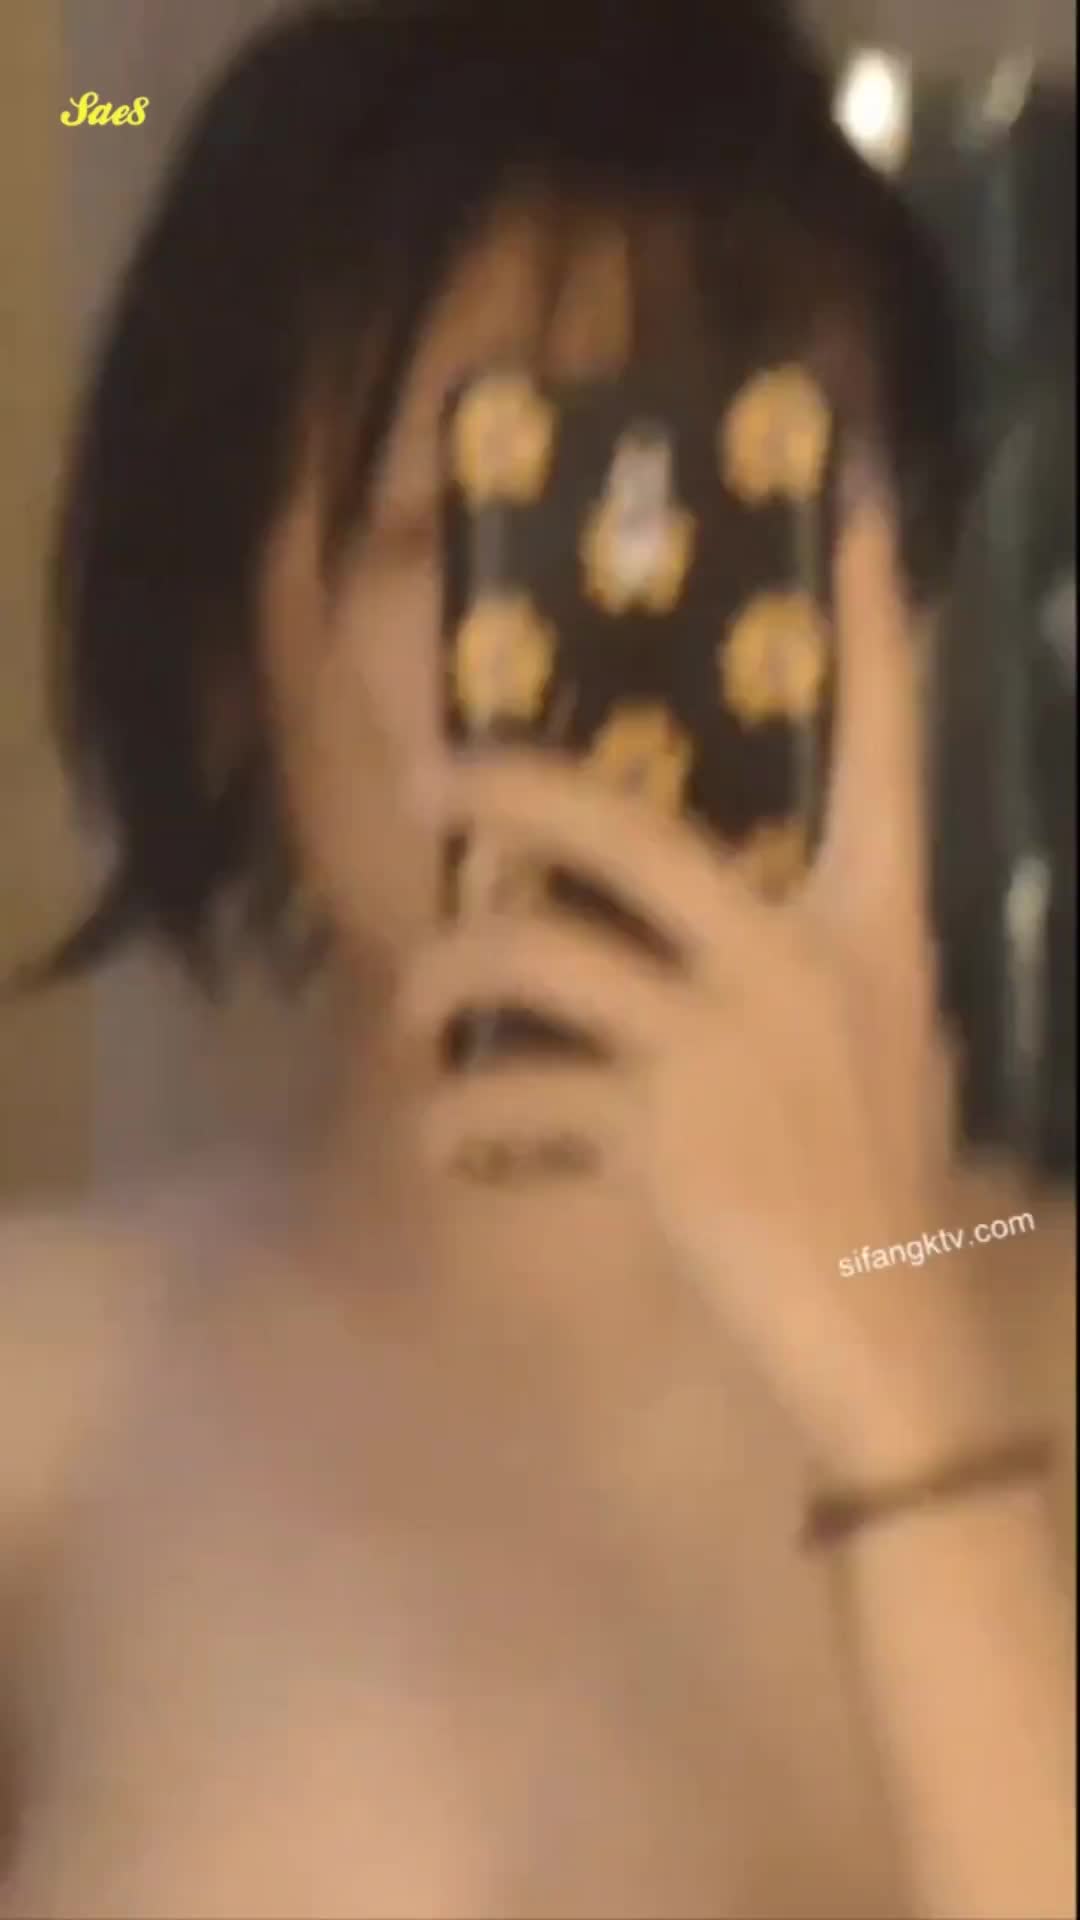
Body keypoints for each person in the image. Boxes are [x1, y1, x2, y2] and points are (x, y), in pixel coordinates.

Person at [1, 4, 1074, 1915]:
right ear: (232, 664)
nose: (616, 660)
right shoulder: (51, 1386)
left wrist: (902, 1377)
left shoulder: (1032, 1312)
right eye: (491, 523)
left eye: (738, 519)